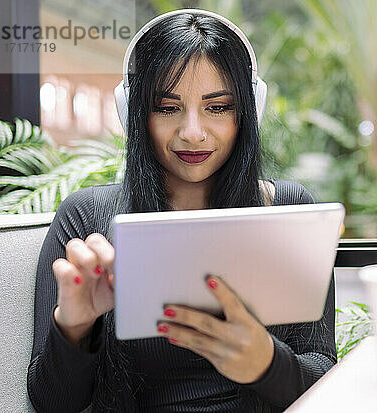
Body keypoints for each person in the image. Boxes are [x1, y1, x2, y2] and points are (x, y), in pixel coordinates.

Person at [27, 9, 336, 413]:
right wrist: (75, 327)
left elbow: (325, 375)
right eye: (168, 108)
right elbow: (52, 404)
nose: (193, 131)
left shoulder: (289, 211)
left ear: (248, 111)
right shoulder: (86, 222)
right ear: (135, 114)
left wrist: (267, 364)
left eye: (218, 107)